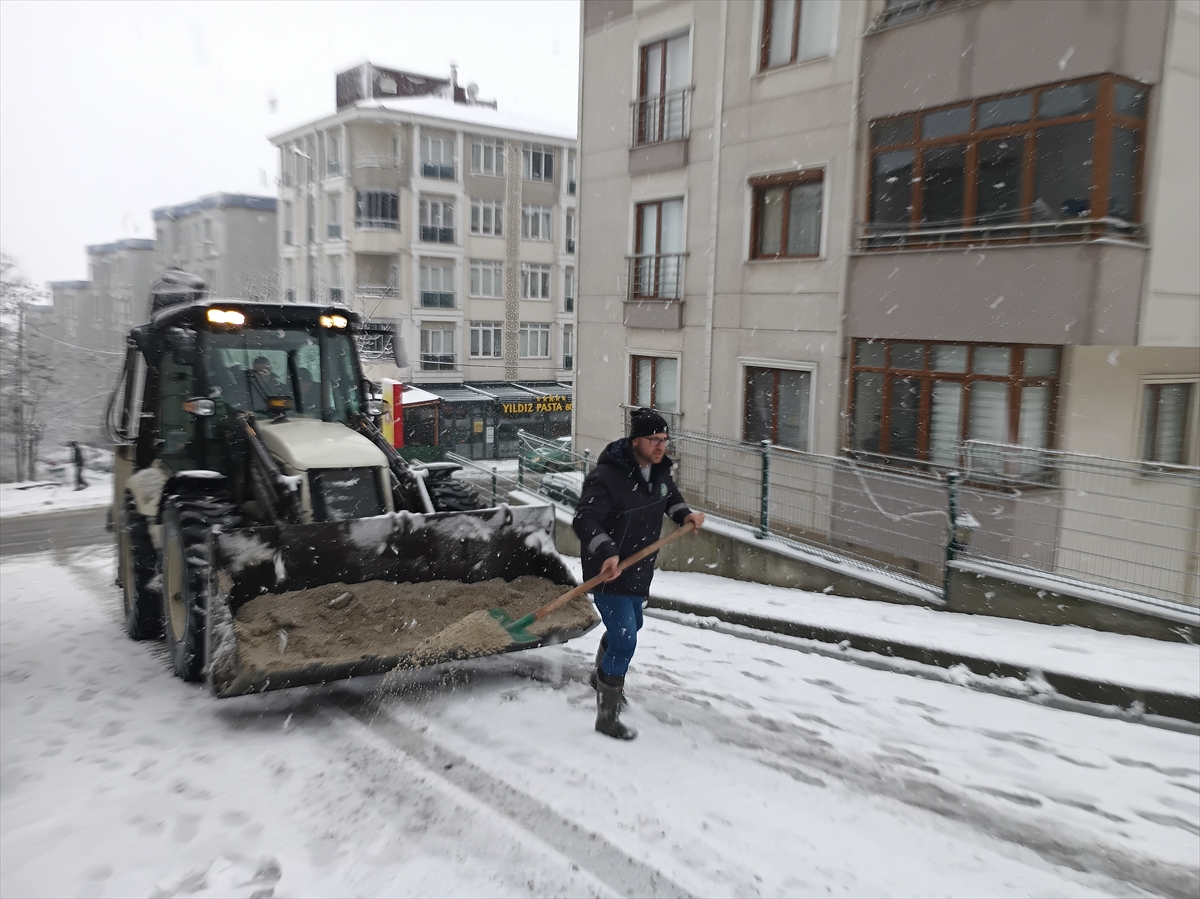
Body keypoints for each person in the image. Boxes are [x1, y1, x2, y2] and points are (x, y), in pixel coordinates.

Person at [572, 408, 705, 740]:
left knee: (634, 626)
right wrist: (607, 552)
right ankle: (607, 716)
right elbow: (585, 519)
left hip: (640, 569)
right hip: (610, 571)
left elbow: (669, 498)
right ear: (636, 442)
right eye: (654, 440)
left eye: (664, 440)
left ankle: (599, 675)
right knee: (625, 640)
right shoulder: (606, 477)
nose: (661, 447)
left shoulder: (659, 471)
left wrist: (684, 515)